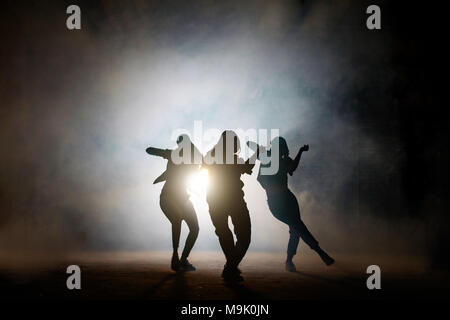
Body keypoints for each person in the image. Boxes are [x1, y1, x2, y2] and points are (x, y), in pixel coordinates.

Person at [247, 137, 334, 272]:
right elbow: (249, 143)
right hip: (276, 202)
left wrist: (300, 152)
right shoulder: (267, 159)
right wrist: (263, 150)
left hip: (287, 198)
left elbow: (293, 167)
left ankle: (290, 261)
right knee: (297, 226)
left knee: (296, 228)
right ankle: (320, 252)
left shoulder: (279, 159)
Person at [203, 130, 254, 282]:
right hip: (233, 199)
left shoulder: (211, 156)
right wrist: (257, 153)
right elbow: (246, 167)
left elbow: (244, 168)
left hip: (214, 198)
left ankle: (230, 267)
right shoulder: (232, 159)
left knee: (224, 233)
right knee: (243, 236)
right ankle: (230, 268)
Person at [146, 134, 201, 271]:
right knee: (177, 218)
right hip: (168, 197)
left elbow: (200, 161)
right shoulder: (175, 154)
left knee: (195, 228)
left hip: (183, 198)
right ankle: (176, 255)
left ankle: (183, 259)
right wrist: (164, 153)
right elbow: (150, 150)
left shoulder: (193, 157)